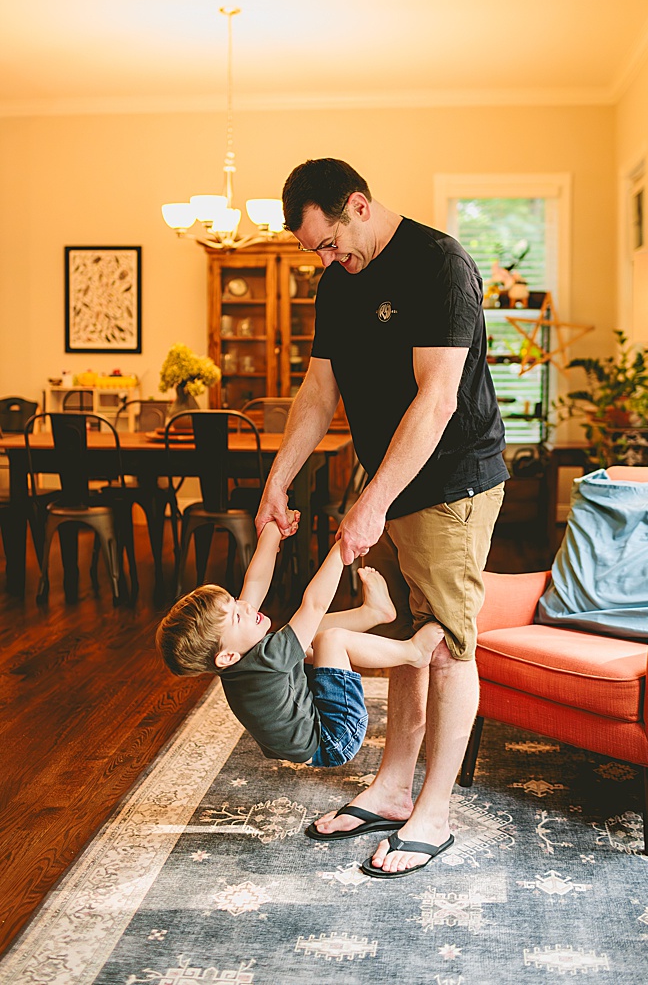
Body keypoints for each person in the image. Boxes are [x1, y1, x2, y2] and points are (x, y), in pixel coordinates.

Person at [257, 158, 508, 878]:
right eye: (317, 253)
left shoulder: (438, 264)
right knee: (402, 631)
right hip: (388, 476)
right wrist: (281, 478)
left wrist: (371, 501)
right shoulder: (336, 282)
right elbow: (317, 390)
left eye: (332, 243)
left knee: (450, 645)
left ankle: (435, 812)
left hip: (451, 479)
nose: (330, 261)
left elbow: (435, 401)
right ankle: (394, 787)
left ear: (358, 206)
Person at [156, 516, 444, 774]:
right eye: (235, 615)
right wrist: (343, 547)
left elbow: (255, 581)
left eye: (234, 601)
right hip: (334, 737)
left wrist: (272, 531)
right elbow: (315, 604)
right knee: (331, 640)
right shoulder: (265, 662)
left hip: (314, 723)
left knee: (303, 639)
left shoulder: (237, 653)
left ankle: (374, 614)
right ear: (227, 656)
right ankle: (414, 653)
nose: (244, 606)